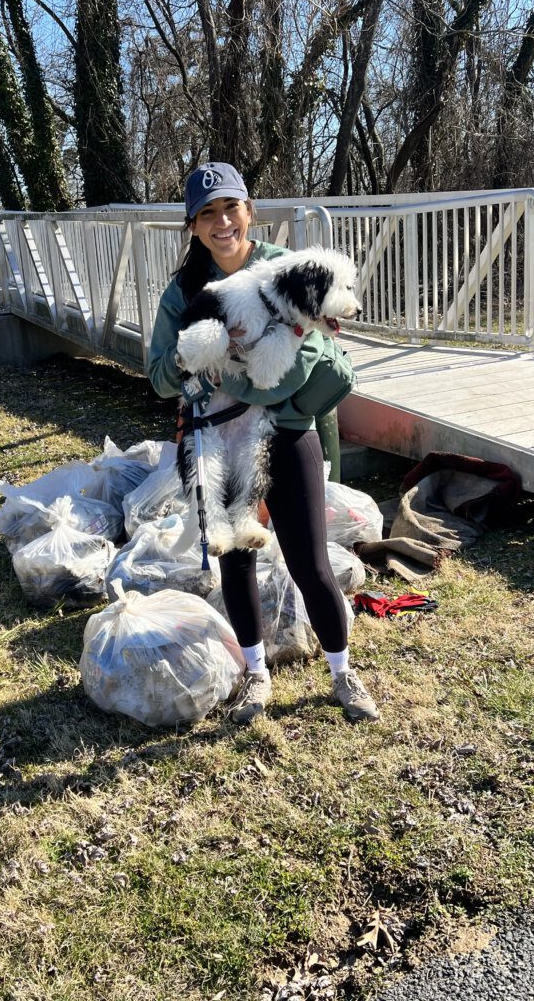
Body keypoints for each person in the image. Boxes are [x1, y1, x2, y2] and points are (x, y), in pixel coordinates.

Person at [147, 161, 379, 725]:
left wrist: (245, 372)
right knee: (238, 560)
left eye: (231, 208)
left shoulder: (285, 269)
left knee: (311, 562)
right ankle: (256, 676)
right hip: (219, 437)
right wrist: (194, 355)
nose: (222, 222)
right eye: (207, 214)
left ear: (250, 211)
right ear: (193, 226)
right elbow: (156, 376)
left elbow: (323, 354)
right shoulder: (183, 293)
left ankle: (343, 672)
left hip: (288, 431)